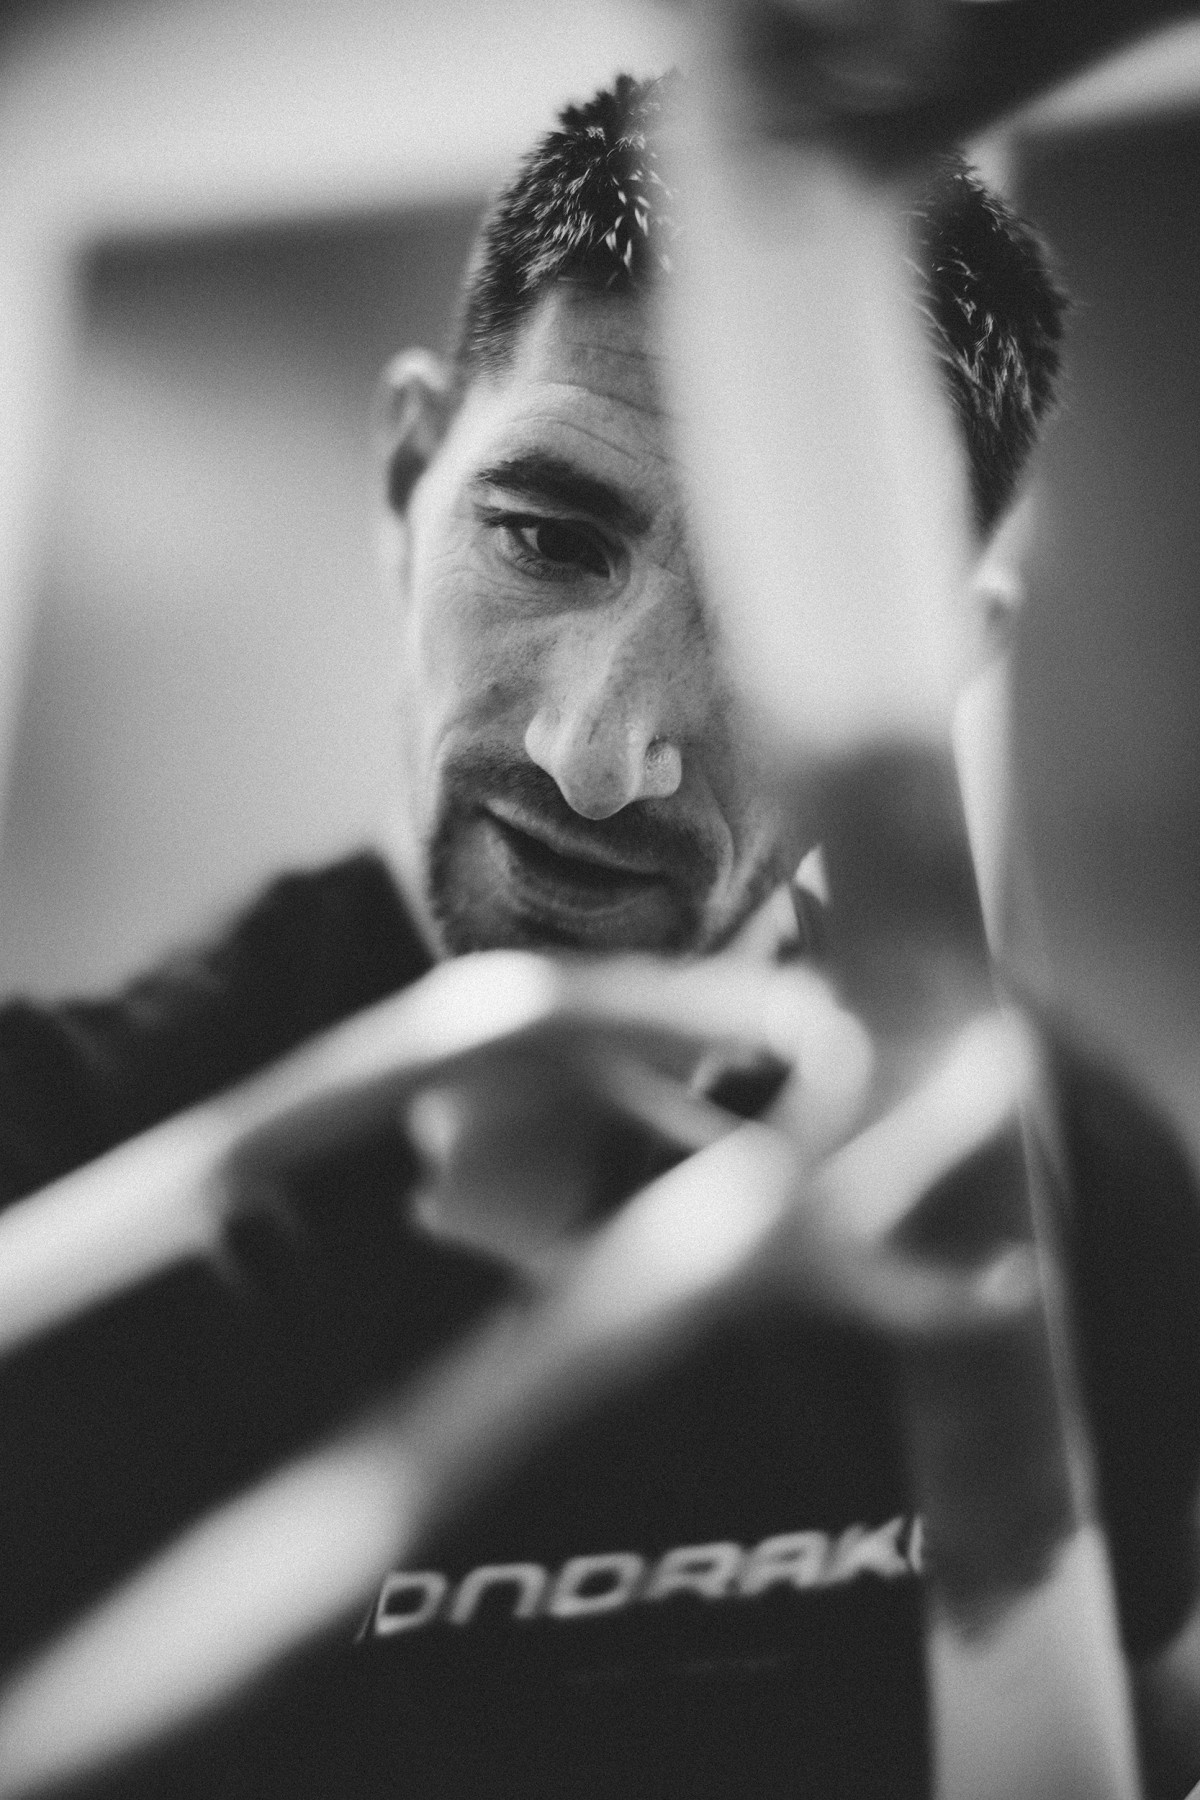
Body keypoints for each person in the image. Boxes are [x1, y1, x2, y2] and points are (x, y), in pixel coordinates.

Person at [1, 71, 1199, 1800]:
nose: (597, 753)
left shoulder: (1067, 1189)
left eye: (773, 632)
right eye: (545, 538)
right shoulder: (54, 1170)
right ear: (409, 473)